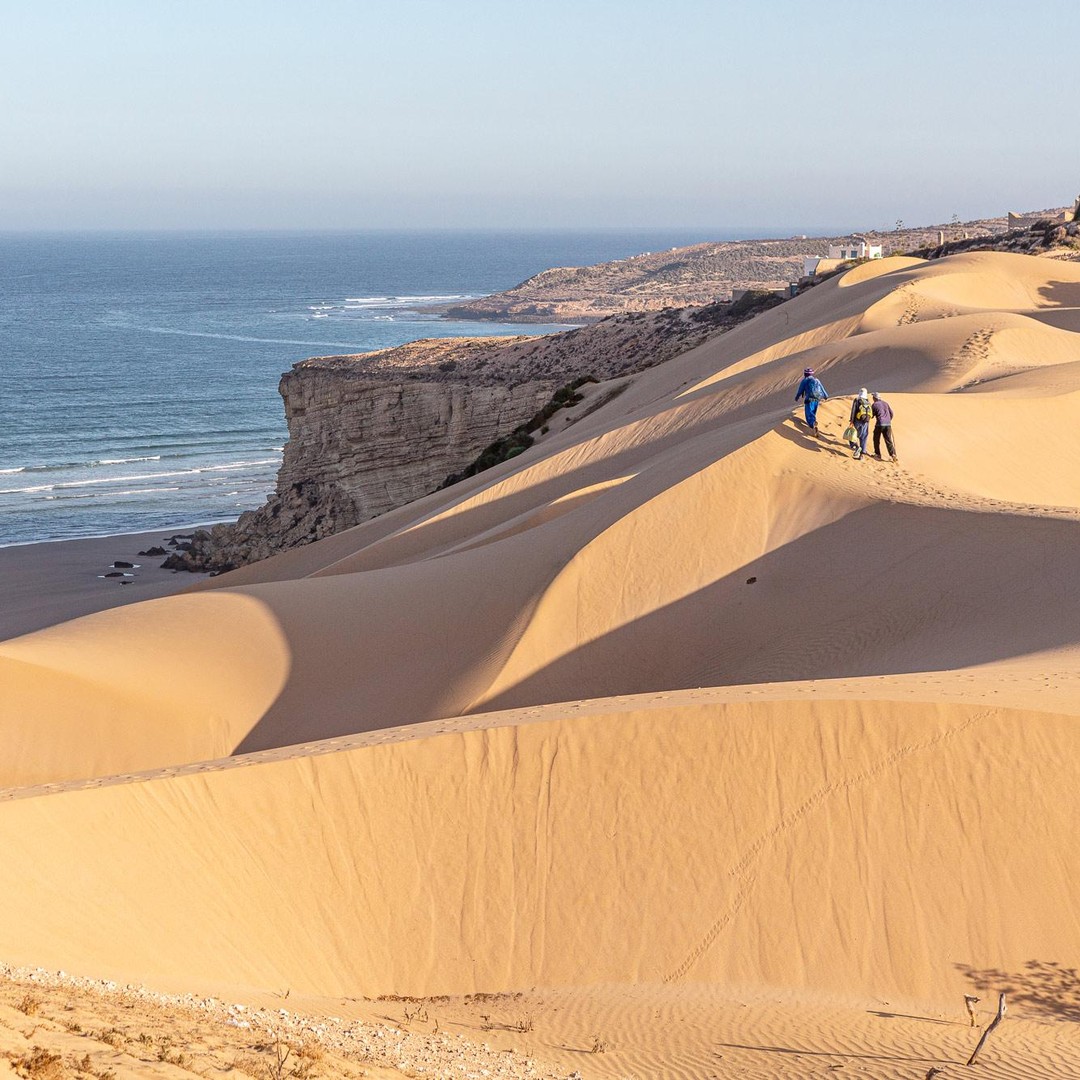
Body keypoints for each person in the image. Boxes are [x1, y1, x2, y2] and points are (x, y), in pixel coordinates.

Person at [794, 367, 828, 437]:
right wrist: (825, 396)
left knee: (809, 412)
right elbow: (822, 389)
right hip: (817, 398)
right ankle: (813, 422)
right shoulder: (817, 380)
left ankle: (812, 424)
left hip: (809, 398)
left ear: (805, 374)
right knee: (813, 411)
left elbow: (800, 390)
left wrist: (797, 397)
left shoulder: (805, 380)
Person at [871, 391, 898, 462]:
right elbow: (891, 413)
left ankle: (877, 454)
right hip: (888, 424)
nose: (872, 398)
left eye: (873, 397)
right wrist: (888, 420)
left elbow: (871, 415)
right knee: (888, 440)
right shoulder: (886, 403)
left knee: (876, 439)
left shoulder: (874, 405)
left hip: (879, 424)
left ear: (875, 398)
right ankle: (893, 455)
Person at [849, 388, 872, 460]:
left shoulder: (857, 400)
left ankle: (856, 447)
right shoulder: (868, 402)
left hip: (857, 421)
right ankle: (862, 455)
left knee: (851, 435)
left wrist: (851, 421)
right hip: (865, 422)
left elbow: (853, 411)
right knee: (863, 437)